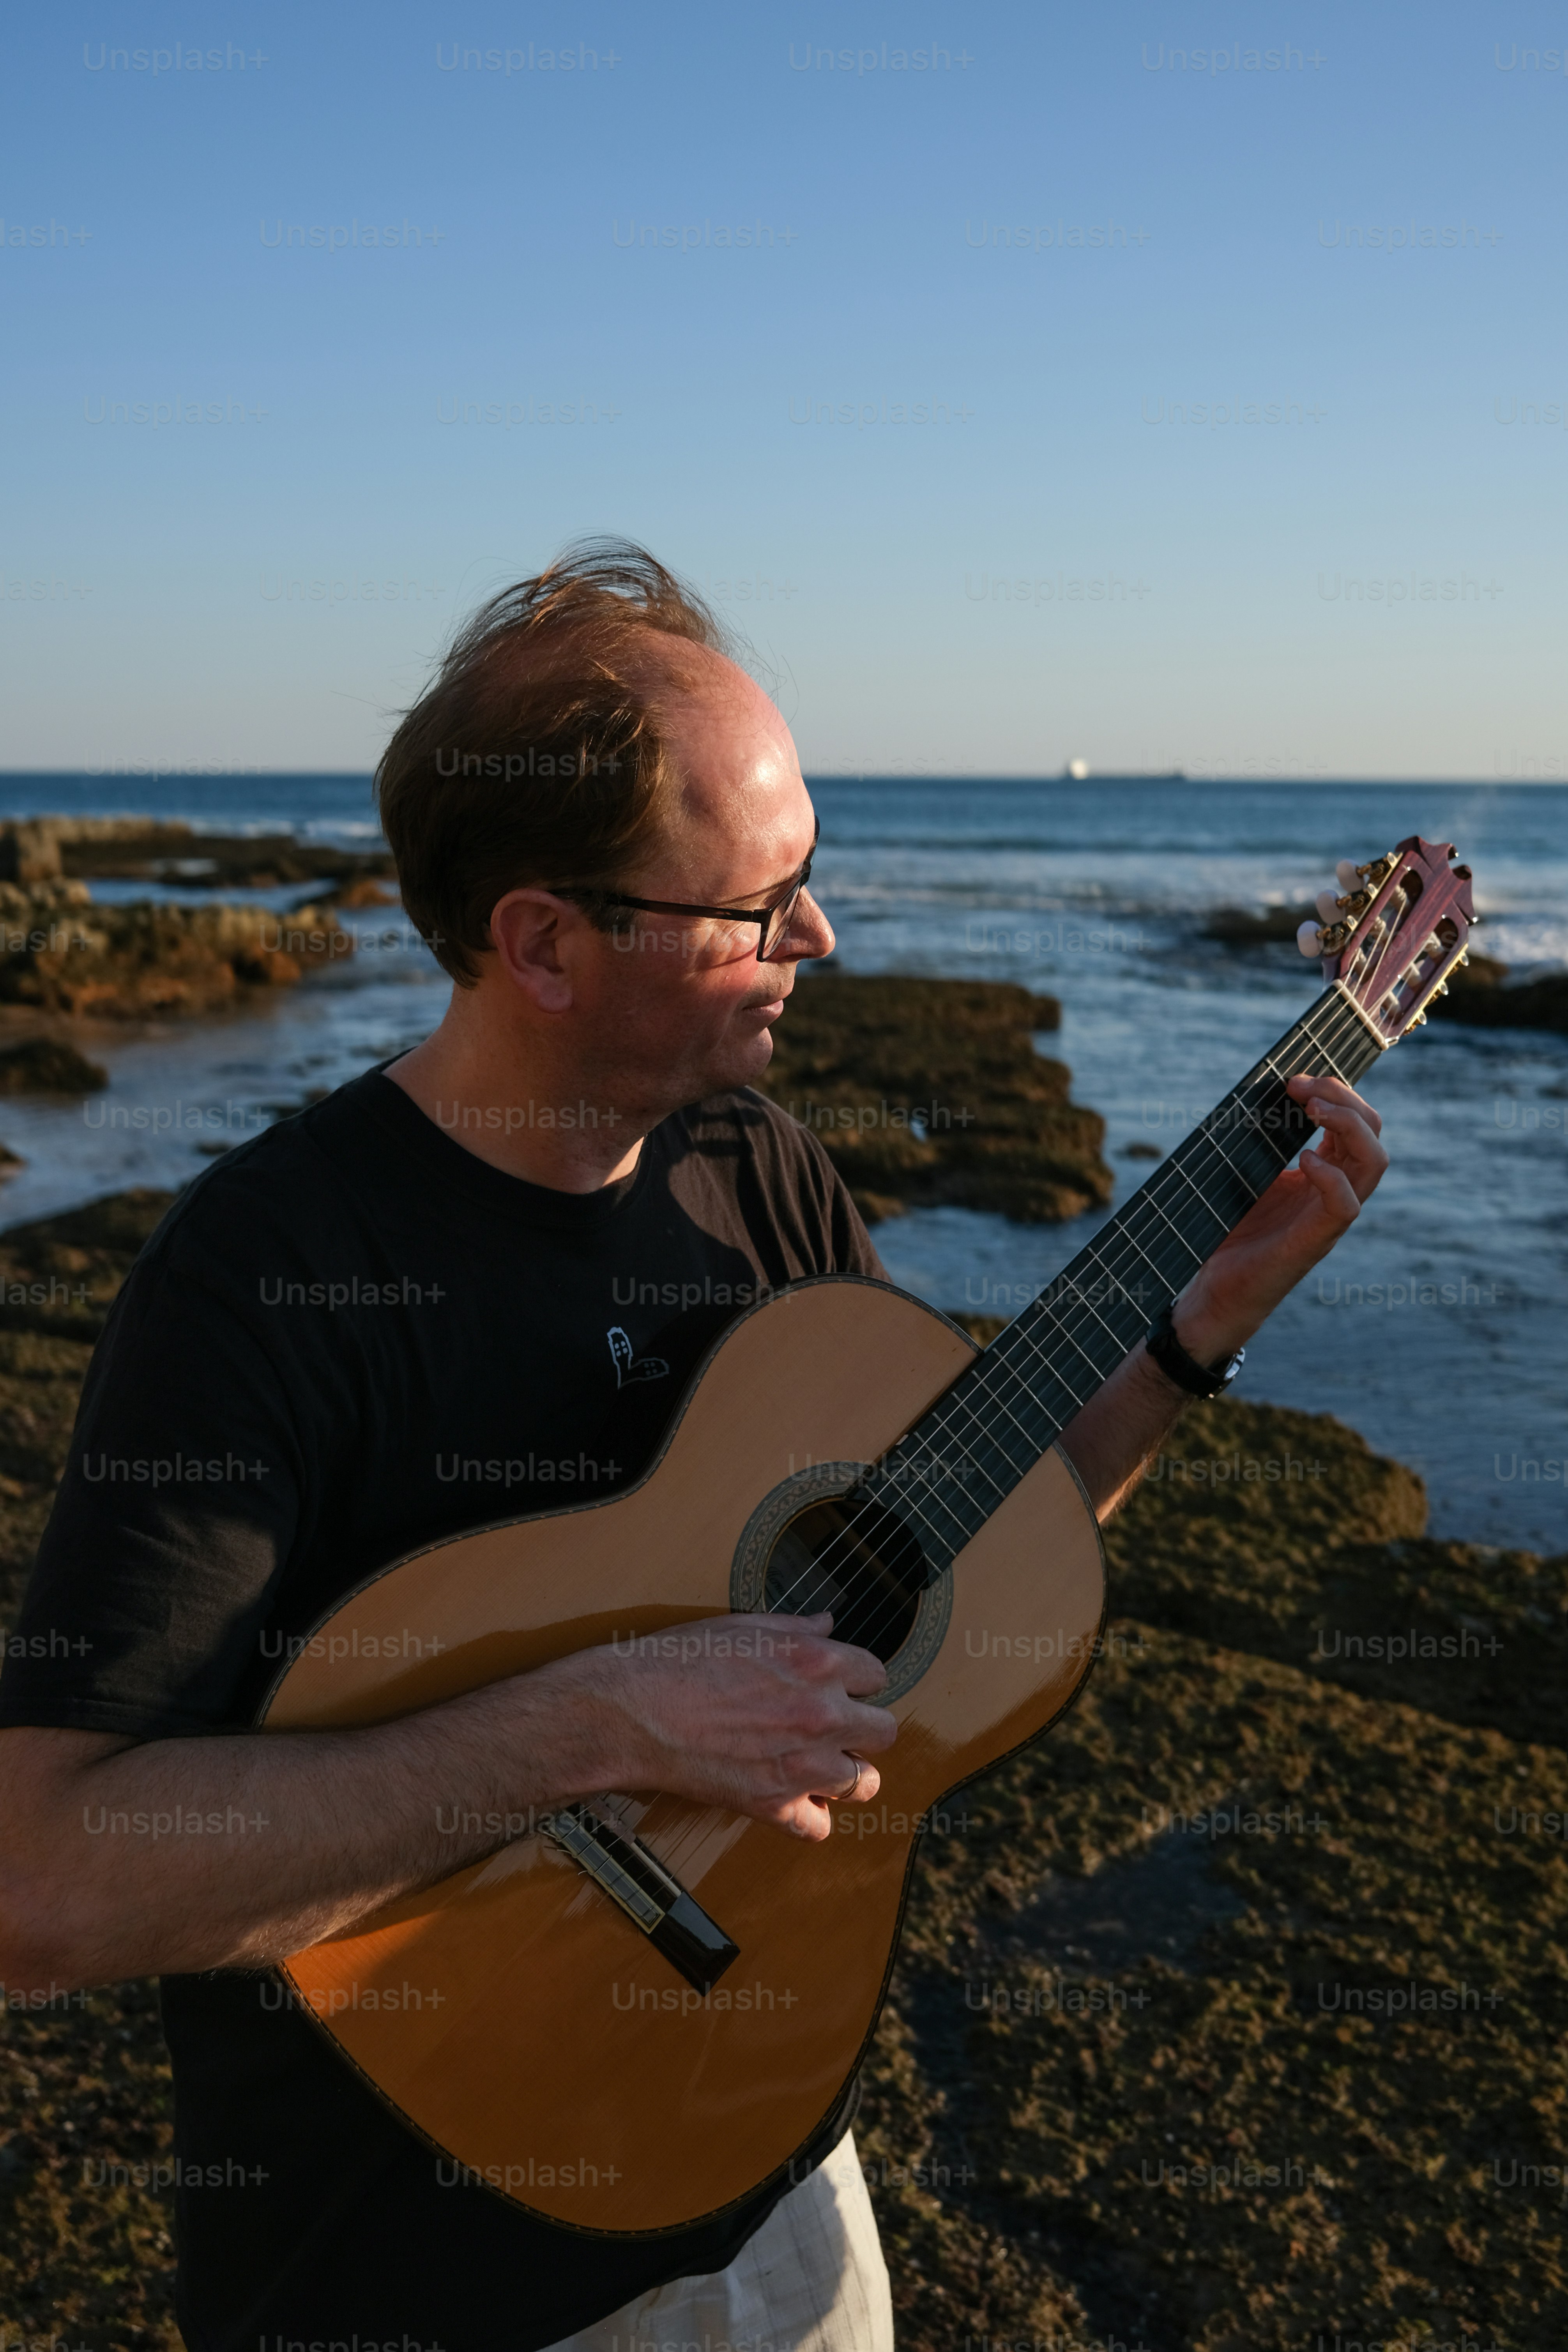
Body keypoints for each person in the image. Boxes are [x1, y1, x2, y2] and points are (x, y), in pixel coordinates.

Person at [0, 541, 1388, 2352]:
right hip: (413, 2274)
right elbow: (48, 1884)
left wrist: (1190, 1337)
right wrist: (596, 1724)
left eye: (813, 873)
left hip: (780, 2177)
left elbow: (943, 1558)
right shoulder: (263, 1281)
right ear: (543, 945)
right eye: (761, 899)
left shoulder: (766, 1176)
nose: (820, 937)